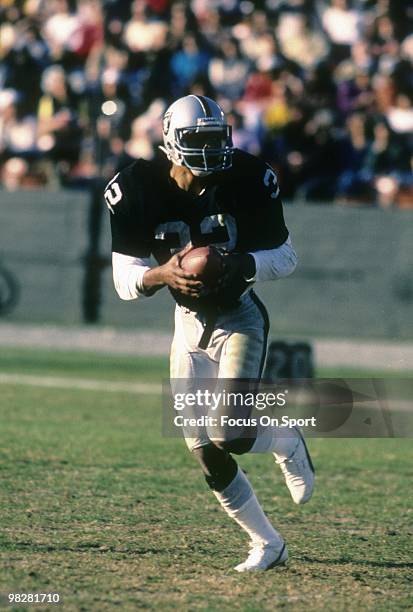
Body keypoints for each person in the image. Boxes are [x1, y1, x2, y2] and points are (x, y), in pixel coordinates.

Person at [105, 95, 314, 572]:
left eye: (218, 138)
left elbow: (286, 257)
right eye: (199, 140)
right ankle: (268, 544)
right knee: (204, 452)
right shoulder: (135, 186)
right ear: (170, 141)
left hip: (238, 316)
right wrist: (164, 276)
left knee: (229, 434)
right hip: (186, 326)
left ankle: (283, 437)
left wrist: (243, 262)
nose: (212, 150)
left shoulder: (248, 176)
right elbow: (125, 282)